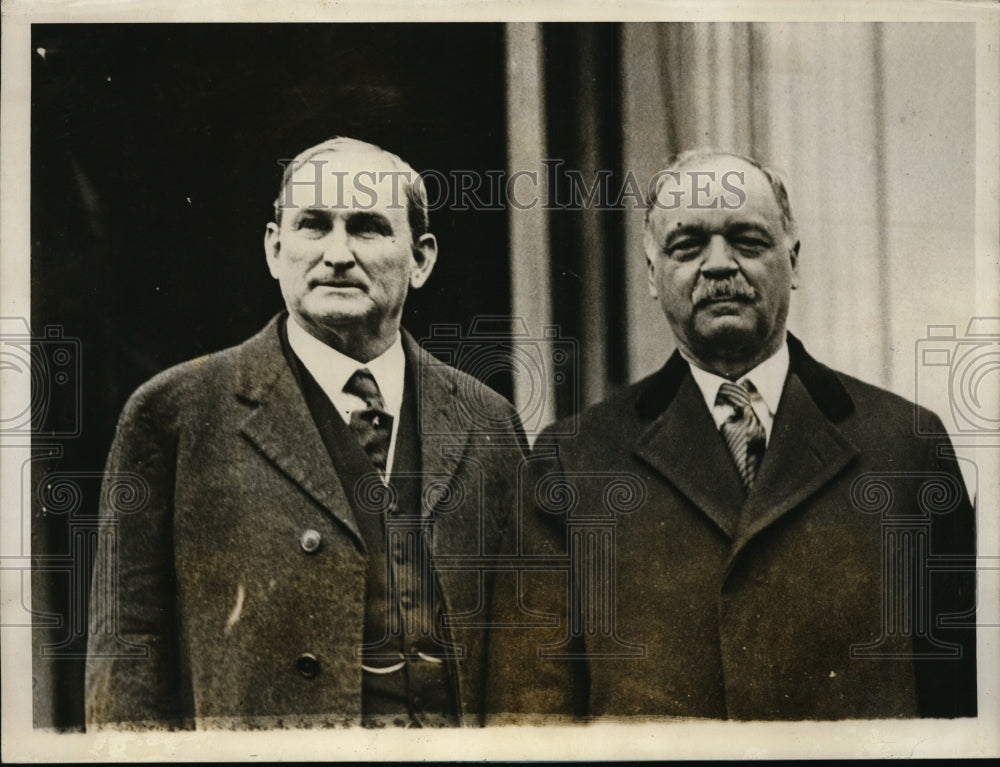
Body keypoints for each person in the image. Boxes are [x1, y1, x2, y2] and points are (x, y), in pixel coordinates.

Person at [487, 149, 977, 720]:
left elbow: (963, 698)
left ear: (793, 262)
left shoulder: (905, 446)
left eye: (747, 240)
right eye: (687, 245)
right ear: (651, 274)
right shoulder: (574, 460)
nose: (719, 265)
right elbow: (530, 711)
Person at [85, 137, 526, 729]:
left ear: (421, 259)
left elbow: (530, 652)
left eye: (368, 227)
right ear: (274, 249)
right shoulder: (175, 416)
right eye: (313, 226)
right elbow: (126, 661)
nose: (338, 254)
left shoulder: (487, 420)